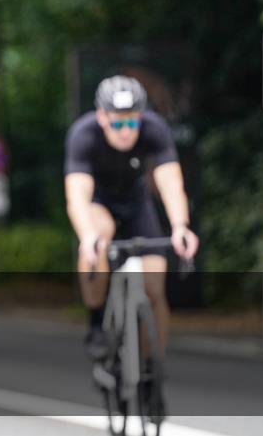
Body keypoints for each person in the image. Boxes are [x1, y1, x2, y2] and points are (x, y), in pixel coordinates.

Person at [64, 75, 199, 359]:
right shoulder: (83, 134)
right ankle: (97, 320)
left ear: (142, 116)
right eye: (117, 123)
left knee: (154, 290)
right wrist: (87, 236)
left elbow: (171, 183)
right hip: (99, 203)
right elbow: (77, 196)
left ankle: (153, 370)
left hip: (137, 205)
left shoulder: (155, 128)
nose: (126, 131)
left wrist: (180, 226)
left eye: (132, 122)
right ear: (102, 117)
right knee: (99, 234)